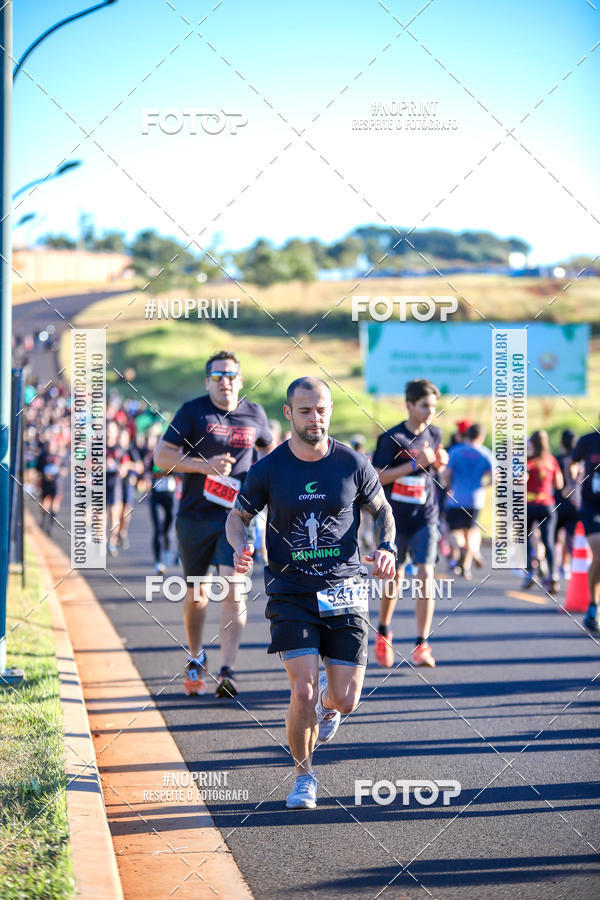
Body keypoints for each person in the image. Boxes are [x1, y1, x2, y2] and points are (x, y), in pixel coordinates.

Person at [226, 376, 396, 810]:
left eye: (321, 409)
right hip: (291, 591)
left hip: (344, 589)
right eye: (305, 410)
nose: (314, 418)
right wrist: (240, 545)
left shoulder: (353, 464)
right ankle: (304, 776)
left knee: (347, 699)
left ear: (330, 410)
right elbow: (237, 516)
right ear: (288, 413)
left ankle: (329, 703)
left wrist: (387, 546)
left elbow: (383, 511)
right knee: (299, 689)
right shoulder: (269, 469)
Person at [154, 351, 273, 698]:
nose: (225, 381)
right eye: (218, 376)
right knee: (196, 595)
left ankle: (227, 670)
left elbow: (269, 452)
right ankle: (195, 656)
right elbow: (162, 457)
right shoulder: (193, 411)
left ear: (240, 380)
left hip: (238, 517)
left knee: (234, 589)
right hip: (194, 516)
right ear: (208, 381)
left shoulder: (255, 414)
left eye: (231, 375)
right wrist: (204, 465)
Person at [371, 379, 448, 668]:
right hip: (394, 518)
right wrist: (415, 464)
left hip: (426, 516)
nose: (430, 411)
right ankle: (383, 631)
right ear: (409, 405)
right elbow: (377, 476)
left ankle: (422, 643)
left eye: (434, 406)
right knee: (395, 577)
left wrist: (439, 462)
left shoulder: (436, 433)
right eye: (425, 405)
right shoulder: (392, 438)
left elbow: (436, 469)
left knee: (426, 575)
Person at [443, 424, 492, 579]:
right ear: (481, 437)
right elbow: (495, 477)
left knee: (453, 532)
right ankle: (467, 564)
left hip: (456, 498)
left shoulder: (456, 451)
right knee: (471, 531)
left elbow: (446, 474)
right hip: (476, 499)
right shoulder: (485, 453)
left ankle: (461, 548)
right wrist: (483, 485)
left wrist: (450, 486)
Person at [523, 430, 563, 593]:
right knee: (548, 541)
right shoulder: (551, 460)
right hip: (547, 504)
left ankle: (530, 572)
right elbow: (559, 484)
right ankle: (553, 576)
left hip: (529, 504)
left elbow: (521, 478)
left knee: (525, 540)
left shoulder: (528, 461)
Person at [570, 425, 600, 632]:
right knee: (599, 551)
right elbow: (573, 463)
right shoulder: (588, 441)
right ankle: (593, 606)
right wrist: (574, 483)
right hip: (592, 506)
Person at [554, 429, 581, 579]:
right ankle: (570, 567)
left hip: (558, 503)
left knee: (555, 538)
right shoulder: (580, 461)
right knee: (571, 537)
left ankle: (556, 569)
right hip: (575, 503)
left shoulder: (557, 460)